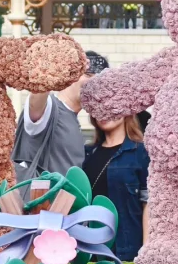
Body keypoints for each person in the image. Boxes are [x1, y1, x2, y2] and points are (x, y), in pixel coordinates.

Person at [13, 50, 110, 188]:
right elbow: (36, 101)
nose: (93, 82)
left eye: (99, 80)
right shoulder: (50, 108)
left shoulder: (73, 120)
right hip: (37, 200)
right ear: (71, 75)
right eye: (88, 75)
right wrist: (50, 69)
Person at [84, 114, 150, 263]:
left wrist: (146, 252)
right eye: (98, 108)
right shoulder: (87, 153)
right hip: (91, 251)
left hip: (129, 251)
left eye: (111, 107)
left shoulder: (141, 152)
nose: (105, 112)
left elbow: (149, 203)